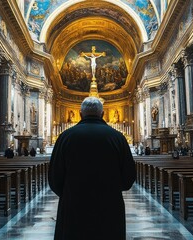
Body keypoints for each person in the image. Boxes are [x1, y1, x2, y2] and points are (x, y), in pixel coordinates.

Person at [48, 97, 136, 240]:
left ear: (81, 114)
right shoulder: (117, 137)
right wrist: (111, 190)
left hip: (74, 205)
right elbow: (128, 176)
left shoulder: (65, 137)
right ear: (102, 114)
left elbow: (54, 177)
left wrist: (69, 193)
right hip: (109, 205)